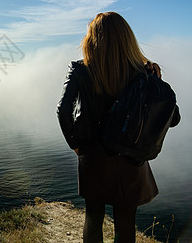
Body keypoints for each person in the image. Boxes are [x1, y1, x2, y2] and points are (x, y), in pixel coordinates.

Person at [56, 12, 180, 243]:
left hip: (92, 154)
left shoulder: (79, 69)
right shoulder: (142, 72)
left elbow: (63, 111)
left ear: (91, 39)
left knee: (93, 215)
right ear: (127, 38)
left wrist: (74, 145)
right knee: (125, 219)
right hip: (130, 155)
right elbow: (173, 119)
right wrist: (156, 83)